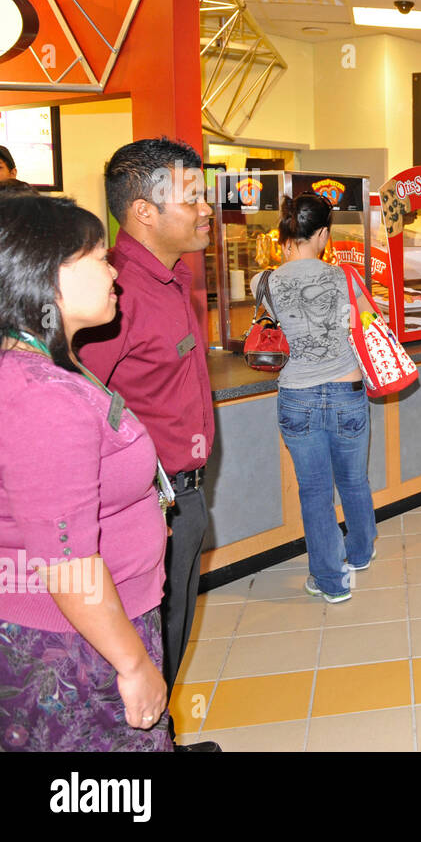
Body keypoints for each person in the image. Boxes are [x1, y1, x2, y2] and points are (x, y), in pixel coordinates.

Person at [0, 194, 171, 751]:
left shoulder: (47, 368)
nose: (114, 271)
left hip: (95, 622)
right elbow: (67, 561)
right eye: (98, 256)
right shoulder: (39, 397)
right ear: (46, 276)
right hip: (75, 644)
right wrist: (132, 664)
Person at [77, 138, 219, 752]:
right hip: (143, 511)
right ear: (143, 211)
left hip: (185, 498)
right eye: (193, 196)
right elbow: (78, 410)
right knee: (140, 647)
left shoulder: (174, 279)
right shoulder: (113, 294)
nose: (208, 207)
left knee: (172, 633)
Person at [266, 193, 377, 604]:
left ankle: (331, 581)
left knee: (314, 491)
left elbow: (265, 340)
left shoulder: (270, 281)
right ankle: (360, 552)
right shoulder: (343, 275)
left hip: (298, 396)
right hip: (348, 391)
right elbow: (370, 324)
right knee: (354, 479)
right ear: (324, 234)